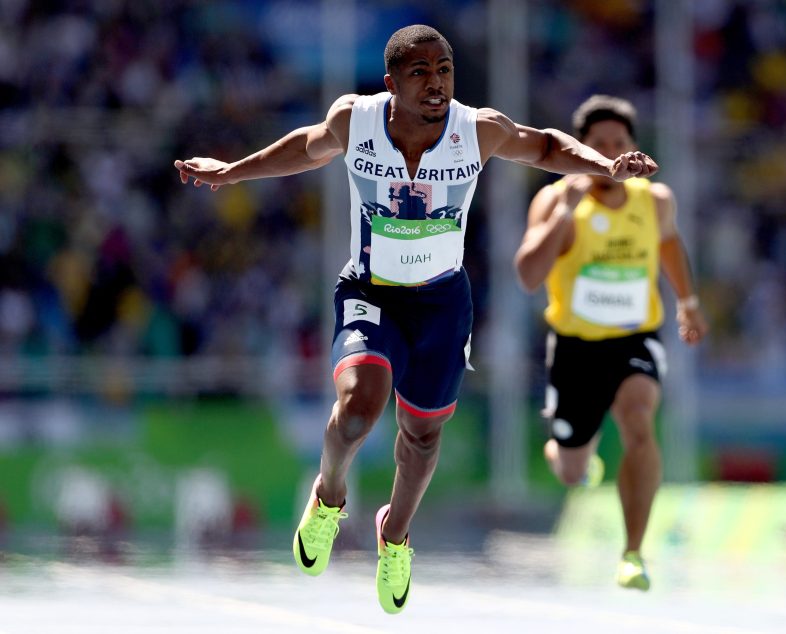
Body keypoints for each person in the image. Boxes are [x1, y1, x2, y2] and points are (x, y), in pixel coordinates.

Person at [174, 27, 658, 614]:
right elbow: (305, 146)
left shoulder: (476, 130)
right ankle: (328, 496)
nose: (436, 84)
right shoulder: (356, 121)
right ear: (391, 83)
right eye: (420, 72)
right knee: (357, 409)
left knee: (422, 436)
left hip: (441, 304)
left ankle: (395, 535)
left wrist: (606, 165)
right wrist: (229, 172)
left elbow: (548, 147)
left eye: (445, 70)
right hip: (370, 292)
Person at [513, 95, 706, 591]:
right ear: (581, 150)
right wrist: (564, 215)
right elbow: (528, 276)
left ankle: (633, 553)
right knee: (573, 471)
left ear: (634, 149)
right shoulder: (556, 199)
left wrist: (687, 302)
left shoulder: (654, 200)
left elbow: (667, 242)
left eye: (619, 144)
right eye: (598, 145)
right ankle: (571, 451)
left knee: (640, 420)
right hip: (575, 348)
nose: (610, 154)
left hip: (635, 338)